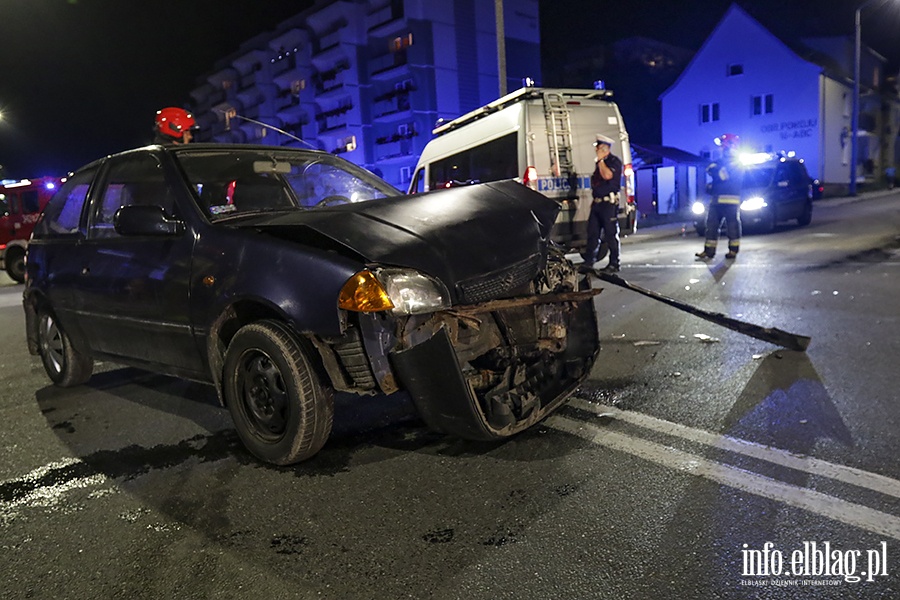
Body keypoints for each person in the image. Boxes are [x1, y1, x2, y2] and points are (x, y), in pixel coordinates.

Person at [581, 133, 623, 273]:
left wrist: (600, 162)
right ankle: (589, 262)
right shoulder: (600, 162)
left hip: (609, 204)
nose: (596, 150)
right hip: (597, 204)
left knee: (610, 234)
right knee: (593, 233)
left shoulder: (613, 162)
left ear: (604, 148)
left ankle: (614, 263)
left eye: (598, 148)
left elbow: (607, 176)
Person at [697, 133, 742, 260]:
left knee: (732, 226)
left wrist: (716, 171)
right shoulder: (721, 161)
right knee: (711, 225)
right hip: (716, 200)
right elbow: (710, 168)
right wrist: (715, 175)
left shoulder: (736, 163)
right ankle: (709, 251)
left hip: (730, 201)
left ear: (729, 145)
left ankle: (733, 250)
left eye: (723, 144)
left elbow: (723, 175)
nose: (721, 147)